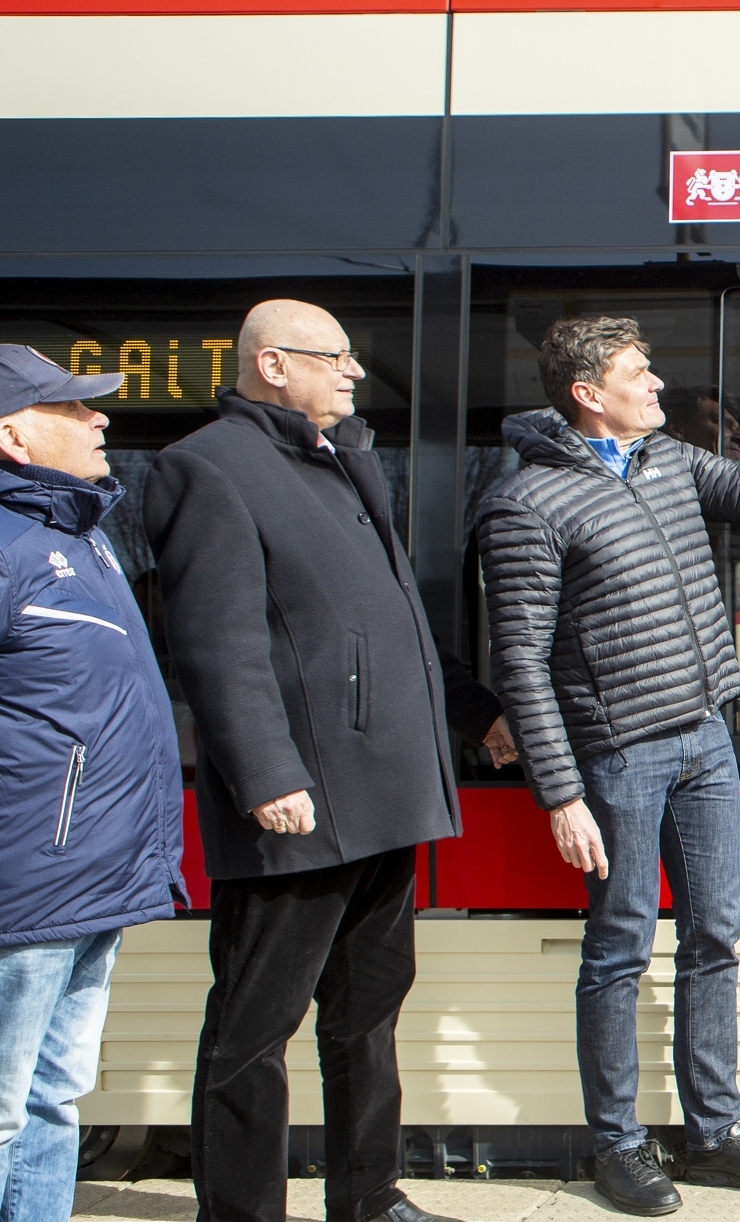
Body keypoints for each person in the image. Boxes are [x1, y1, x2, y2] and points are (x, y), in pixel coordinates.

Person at [474, 317, 740, 1216]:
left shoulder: (670, 463)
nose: (657, 385)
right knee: (619, 949)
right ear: (588, 393)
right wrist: (561, 794)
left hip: (705, 735)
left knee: (715, 938)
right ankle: (618, 1147)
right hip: (617, 756)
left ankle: (714, 1133)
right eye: (638, 372)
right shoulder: (527, 506)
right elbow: (522, 663)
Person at [145, 301, 514, 1222]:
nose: (355, 373)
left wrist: (474, 717)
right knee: (254, 1026)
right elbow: (216, 645)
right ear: (273, 365)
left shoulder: (341, 460)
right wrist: (267, 774)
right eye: (336, 357)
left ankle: (367, 1197)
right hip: (301, 802)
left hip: (384, 793)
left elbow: (394, 626)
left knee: (370, 1011)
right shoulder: (208, 468)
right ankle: (240, 1212)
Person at [0, 348, 185, 1222]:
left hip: (86, 885)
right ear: (13, 436)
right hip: (21, 888)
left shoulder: (83, 540)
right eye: (73, 409)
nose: (100, 420)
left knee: (49, 1098)